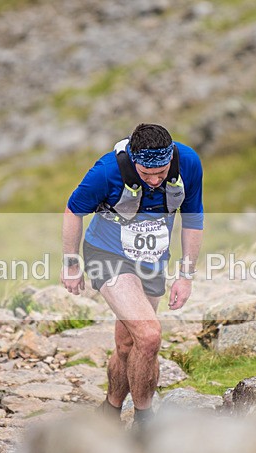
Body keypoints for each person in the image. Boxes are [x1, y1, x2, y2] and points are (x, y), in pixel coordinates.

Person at [61, 123, 204, 429]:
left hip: (152, 259)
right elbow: (73, 211)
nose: (154, 181)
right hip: (107, 254)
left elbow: (193, 217)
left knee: (129, 345)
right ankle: (145, 423)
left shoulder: (189, 163)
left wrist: (186, 275)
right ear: (133, 160)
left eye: (161, 174)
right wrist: (72, 264)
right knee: (149, 335)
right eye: (145, 174)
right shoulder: (106, 171)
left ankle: (110, 411)